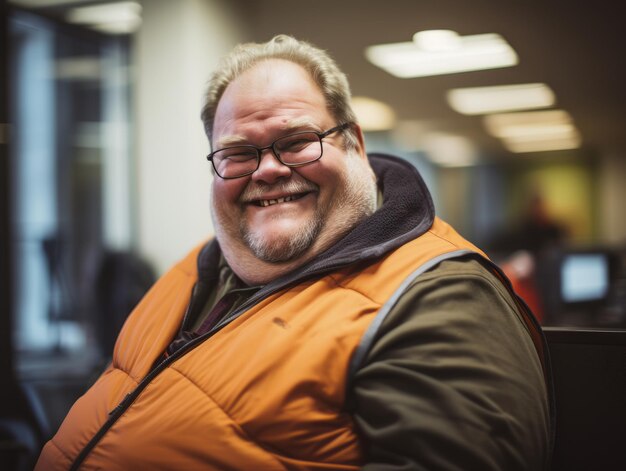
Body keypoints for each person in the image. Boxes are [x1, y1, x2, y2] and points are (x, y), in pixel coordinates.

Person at [36, 35, 553, 470]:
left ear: (353, 142)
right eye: (238, 152)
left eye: (297, 140)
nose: (267, 169)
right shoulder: (196, 268)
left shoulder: (440, 297)